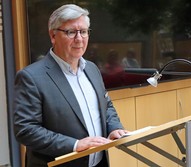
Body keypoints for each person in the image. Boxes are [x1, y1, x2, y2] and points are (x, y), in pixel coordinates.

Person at [13, 4, 128, 167]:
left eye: (83, 31)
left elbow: (106, 105)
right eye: (71, 32)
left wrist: (114, 128)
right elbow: (26, 130)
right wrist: (75, 145)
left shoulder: (92, 69)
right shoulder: (31, 77)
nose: (79, 39)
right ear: (53, 35)